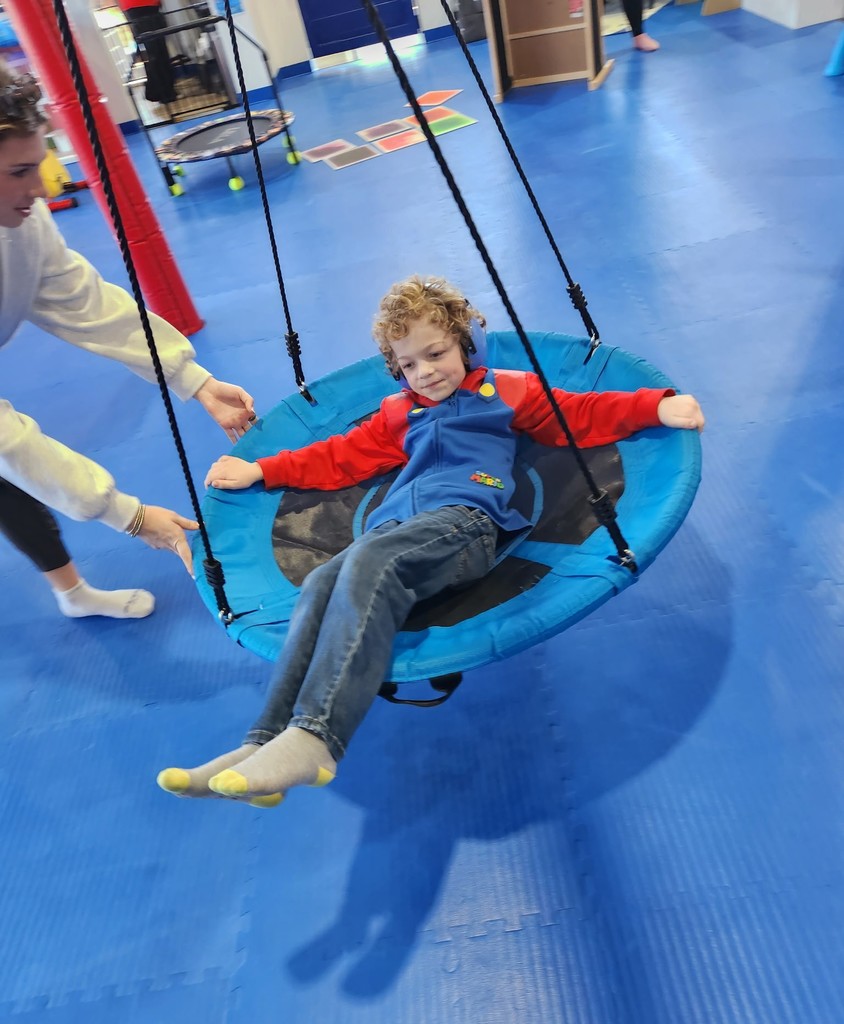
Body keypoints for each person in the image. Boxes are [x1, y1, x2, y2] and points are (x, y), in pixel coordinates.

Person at [157, 274, 705, 808]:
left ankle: (318, 737)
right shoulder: (399, 413)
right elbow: (338, 456)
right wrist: (261, 471)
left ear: (466, 344)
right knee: (323, 581)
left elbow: (579, 414)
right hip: (396, 527)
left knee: (370, 560)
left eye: (437, 353)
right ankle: (263, 740)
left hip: (466, 522)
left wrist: (654, 406)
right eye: (409, 364)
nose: (426, 372)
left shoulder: (503, 391)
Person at [0, 62, 255, 619]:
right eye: (21, 171)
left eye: (40, 162)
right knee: (9, 464)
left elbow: (87, 304)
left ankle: (71, 594)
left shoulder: (27, 220)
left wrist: (195, 380)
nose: (43, 186)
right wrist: (128, 515)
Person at [118, 0, 177, 107]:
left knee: (152, 51)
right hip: (144, 6)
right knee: (157, 50)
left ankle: (159, 91)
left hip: (135, 6)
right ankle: (163, 92)